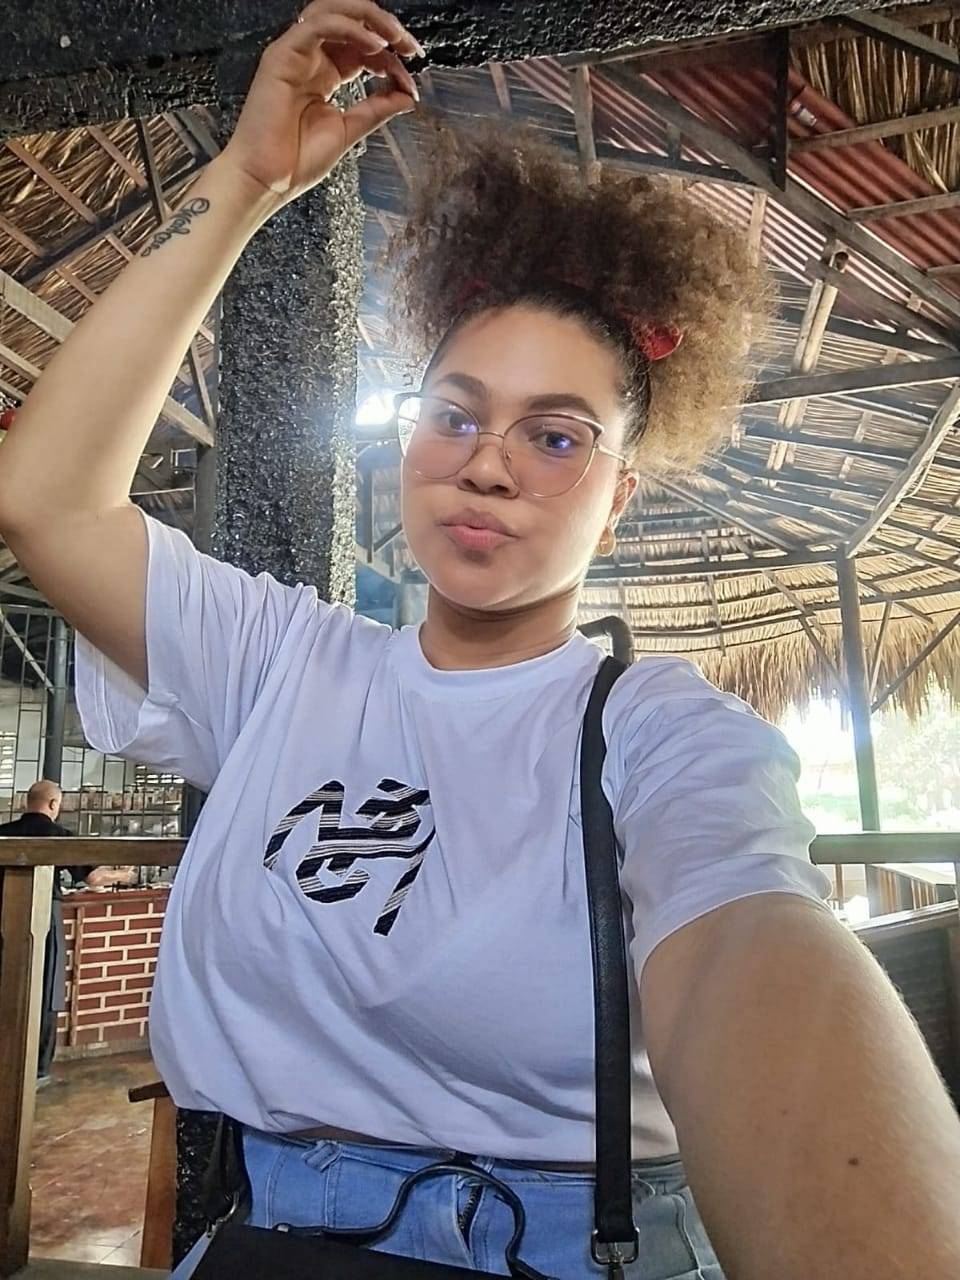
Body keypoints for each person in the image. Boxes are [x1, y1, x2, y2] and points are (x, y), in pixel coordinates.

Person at [0, 3, 958, 1274]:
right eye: (454, 413)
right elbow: (49, 498)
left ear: (618, 496)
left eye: (556, 436)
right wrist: (247, 181)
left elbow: (748, 937)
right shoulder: (283, 662)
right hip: (264, 1236)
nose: (488, 464)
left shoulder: (663, 733)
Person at [0, 780, 88, 1085]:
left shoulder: (3, 832)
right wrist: (123, 873)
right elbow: (93, 877)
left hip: (3, 914)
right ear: (53, 804)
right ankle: (37, 1068)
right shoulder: (60, 836)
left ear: (27, 802)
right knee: (46, 989)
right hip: (44, 917)